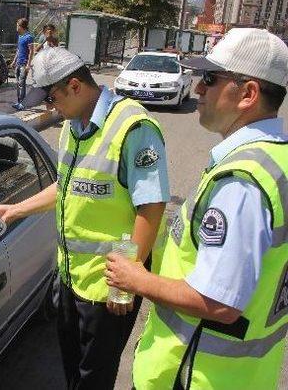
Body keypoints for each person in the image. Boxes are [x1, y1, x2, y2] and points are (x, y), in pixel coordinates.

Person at [105, 28, 288, 389]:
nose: (198, 90)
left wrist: (137, 279)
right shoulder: (276, 159)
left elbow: (220, 302)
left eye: (209, 79)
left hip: (195, 374)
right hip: (243, 375)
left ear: (248, 93)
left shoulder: (242, 181)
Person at [0, 47, 170, 389]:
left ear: (75, 86)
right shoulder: (72, 126)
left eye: (52, 98)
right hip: (72, 278)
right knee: (72, 369)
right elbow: (66, 186)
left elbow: (151, 206)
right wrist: (15, 210)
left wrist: (127, 282)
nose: (49, 108)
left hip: (108, 288)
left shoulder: (133, 127)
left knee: (94, 377)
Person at [11, 18, 34, 110]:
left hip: (24, 64)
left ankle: (22, 103)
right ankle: (19, 101)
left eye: (17, 26)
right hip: (18, 63)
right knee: (18, 83)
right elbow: (18, 50)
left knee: (22, 83)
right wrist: (14, 61)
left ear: (21, 26)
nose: (16, 27)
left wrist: (28, 64)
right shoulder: (20, 36)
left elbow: (32, 51)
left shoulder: (29, 37)